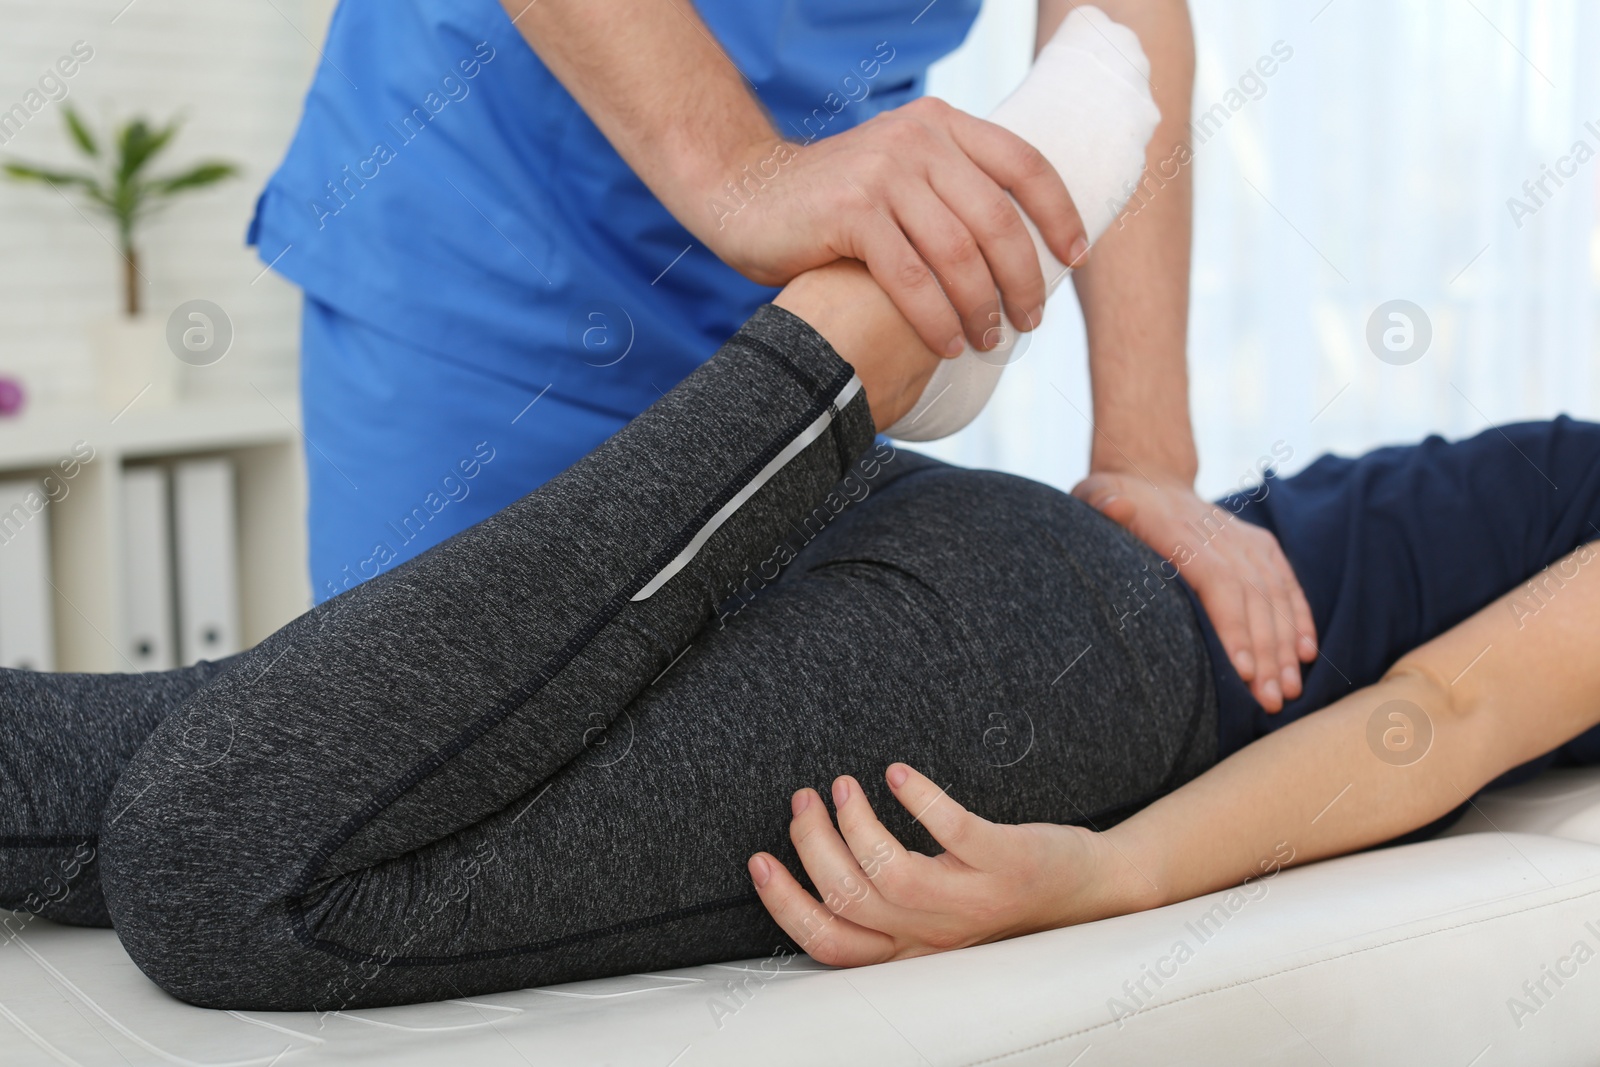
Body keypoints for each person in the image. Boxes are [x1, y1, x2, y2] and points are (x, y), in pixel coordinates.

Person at [3, 254, 1599, 1010]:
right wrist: (1101, 876)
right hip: (1076, 660)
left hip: (995, 553)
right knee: (232, 875)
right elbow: (1439, 715)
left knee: (101, 768)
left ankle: (818, 393)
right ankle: (821, 365)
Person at [249, 0, 1319, 713]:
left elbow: (1111, 38)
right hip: (483, 238)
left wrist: (1146, 455)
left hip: (803, 307)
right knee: (396, 773)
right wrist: (736, 172)